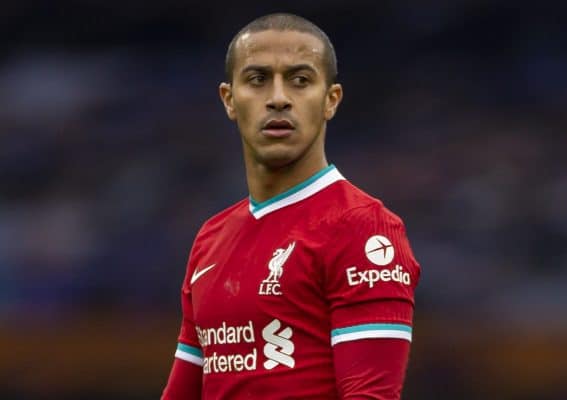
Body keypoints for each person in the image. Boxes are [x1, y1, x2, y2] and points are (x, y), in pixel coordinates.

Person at [162, 12, 421, 400]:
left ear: (330, 100)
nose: (279, 98)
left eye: (300, 81)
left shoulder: (364, 228)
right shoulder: (210, 238)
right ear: (229, 100)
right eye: (258, 79)